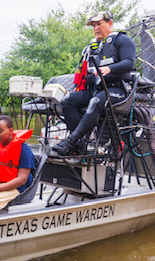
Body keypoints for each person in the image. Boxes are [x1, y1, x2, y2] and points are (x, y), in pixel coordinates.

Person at [50, 10, 136, 156]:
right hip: (97, 90)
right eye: (93, 25)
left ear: (110, 23)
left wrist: (110, 68)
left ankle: (70, 141)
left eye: (99, 24)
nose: (95, 28)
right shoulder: (93, 47)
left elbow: (129, 63)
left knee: (96, 101)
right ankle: (79, 144)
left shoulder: (122, 40)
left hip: (117, 90)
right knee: (67, 100)